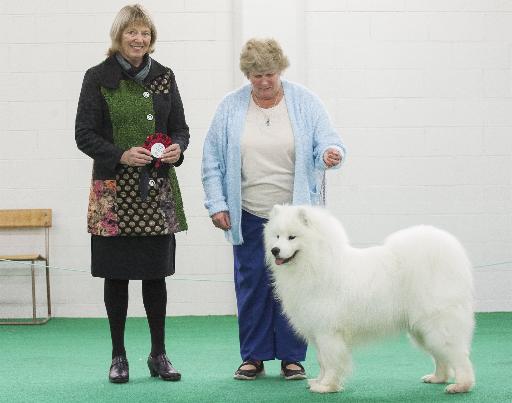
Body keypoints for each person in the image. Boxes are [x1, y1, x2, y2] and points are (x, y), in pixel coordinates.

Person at [201, 38, 346, 381]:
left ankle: (292, 358)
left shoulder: (306, 102)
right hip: (249, 213)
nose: (264, 81)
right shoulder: (230, 107)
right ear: (247, 75)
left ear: (280, 70)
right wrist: (217, 203)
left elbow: (329, 141)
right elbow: (212, 159)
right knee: (251, 283)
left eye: (270, 74)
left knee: (297, 287)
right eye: (256, 75)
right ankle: (253, 356)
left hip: (294, 218)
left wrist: (330, 153)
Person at [75, 4, 189, 383]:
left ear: (151, 39)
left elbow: (180, 129)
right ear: (119, 36)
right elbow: (84, 135)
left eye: (145, 33)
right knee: (116, 276)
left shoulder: (164, 76)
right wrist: (120, 154)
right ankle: (118, 356)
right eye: (132, 32)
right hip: (113, 193)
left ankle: (159, 354)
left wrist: (177, 149)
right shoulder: (97, 77)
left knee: (156, 276)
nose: (139, 39)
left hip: (157, 190)